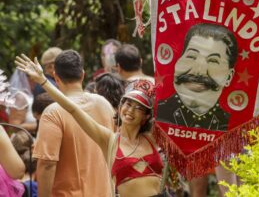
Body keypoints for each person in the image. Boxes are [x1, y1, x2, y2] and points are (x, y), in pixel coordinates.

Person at [15, 54, 164, 197]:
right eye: (127, 103)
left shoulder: (151, 138)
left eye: (138, 107)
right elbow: (73, 109)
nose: (130, 110)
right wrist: (43, 81)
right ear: (120, 106)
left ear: (146, 115)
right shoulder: (109, 139)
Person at [24, 50, 115, 196]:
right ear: (83, 74)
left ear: (56, 77)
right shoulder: (104, 104)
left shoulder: (52, 113)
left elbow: (47, 164)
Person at [156, 23, 238, 131]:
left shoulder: (234, 128)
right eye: (191, 56)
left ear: (229, 77)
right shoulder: (154, 115)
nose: (198, 71)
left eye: (213, 60)